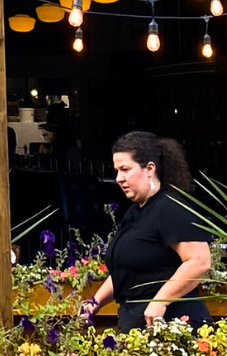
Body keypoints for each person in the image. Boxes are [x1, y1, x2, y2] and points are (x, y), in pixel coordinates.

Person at [82, 131, 213, 331]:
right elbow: (127, 270)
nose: (119, 178)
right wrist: (95, 303)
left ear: (149, 168)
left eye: (125, 169)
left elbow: (199, 261)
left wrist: (161, 300)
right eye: (117, 171)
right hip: (136, 324)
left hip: (173, 327)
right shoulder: (136, 212)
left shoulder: (170, 208)